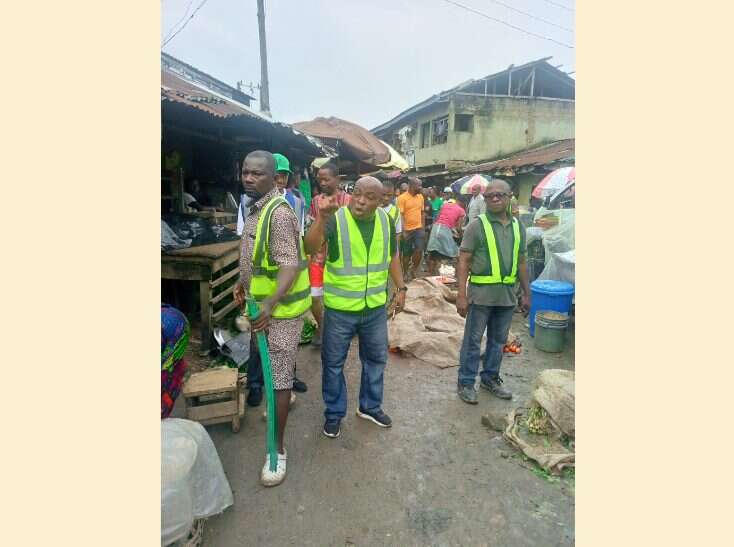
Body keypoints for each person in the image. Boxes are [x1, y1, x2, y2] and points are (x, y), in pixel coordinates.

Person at [304, 176, 407, 439]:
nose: (360, 201)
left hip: (374, 308)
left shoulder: (386, 220)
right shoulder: (335, 219)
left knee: (375, 360)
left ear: (381, 199)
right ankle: (334, 414)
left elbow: (392, 255)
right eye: (357, 193)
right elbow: (309, 246)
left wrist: (401, 287)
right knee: (333, 364)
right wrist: (320, 219)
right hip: (339, 309)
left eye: (369, 197)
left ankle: (370, 407)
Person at [233, 150, 312, 486]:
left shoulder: (277, 214)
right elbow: (255, 255)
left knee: (278, 380)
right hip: (262, 307)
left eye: (257, 174)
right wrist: (242, 282)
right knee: (271, 375)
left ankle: (277, 451)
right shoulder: (254, 209)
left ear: (274, 178)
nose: (249, 178)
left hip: (278, 313)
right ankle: (282, 407)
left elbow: (289, 265)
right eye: (245, 172)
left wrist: (267, 304)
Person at [455, 180, 531, 406]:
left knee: (498, 341)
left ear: (510, 197)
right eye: (490, 196)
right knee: (473, 341)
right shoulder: (477, 226)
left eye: (500, 195)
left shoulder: (519, 227)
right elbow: (464, 260)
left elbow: (522, 261)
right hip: (481, 296)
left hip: (507, 296)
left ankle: (489, 378)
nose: (495, 199)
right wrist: (461, 294)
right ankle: (466, 382)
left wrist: (527, 293)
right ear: (485, 199)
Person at [305, 162, 351, 347]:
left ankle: (341, 328)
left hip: (341, 256)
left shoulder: (349, 201)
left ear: (338, 179)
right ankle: (321, 326)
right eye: (320, 179)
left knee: (339, 296)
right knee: (315, 297)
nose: (322, 182)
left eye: (326, 179)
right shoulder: (316, 201)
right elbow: (312, 227)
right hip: (318, 256)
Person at [161, 304, 190, 419]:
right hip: (176, 322)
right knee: (171, 366)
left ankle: (163, 410)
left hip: (176, 330)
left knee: (165, 371)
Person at [425, 196, 465, 275]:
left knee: (433, 253)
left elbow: (437, 217)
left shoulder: (445, 205)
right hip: (445, 230)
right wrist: (461, 237)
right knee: (453, 255)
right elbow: (459, 228)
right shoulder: (461, 211)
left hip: (436, 228)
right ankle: (456, 277)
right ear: (463, 204)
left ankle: (431, 275)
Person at [397, 176, 425, 281]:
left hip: (418, 229)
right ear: (412, 186)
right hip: (407, 230)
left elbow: (422, 213)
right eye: (419, 186)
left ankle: (413, 270)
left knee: (419, 250)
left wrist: (422, 227)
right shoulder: (402, 198)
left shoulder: (421, 197)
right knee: (406, 254)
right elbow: (401, 215)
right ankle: (405, 272)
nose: (421, 188)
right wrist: (403, 230)